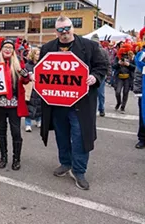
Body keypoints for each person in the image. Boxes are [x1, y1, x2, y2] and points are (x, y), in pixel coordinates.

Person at [38, 16, 107, 190]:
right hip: (57, 103)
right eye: (60, 30)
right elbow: (40, 69)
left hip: (81, 104)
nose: (64, 32)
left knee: (80, 138)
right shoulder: (47, 48)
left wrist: (95, 77)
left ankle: (79, 171)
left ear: (72, 28)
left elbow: (102, 66)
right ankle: (65, 163)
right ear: (56, 31)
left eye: (67, 28)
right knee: (61, 136)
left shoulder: (90, 46)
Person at [0, 40, 29, 170]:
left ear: (13, 50)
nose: (8, 49)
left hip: (15, 104)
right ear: (1, 49)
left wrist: (22, 72)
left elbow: (26, 80)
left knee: (16, 132)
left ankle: (16, 159)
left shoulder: (18, 63)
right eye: (5, 47)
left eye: (10, 47)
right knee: (2, 131)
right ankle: (3, 157)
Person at [112, 43, 135, 114]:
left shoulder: (131, 57)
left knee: (125, 92)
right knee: (117, 92)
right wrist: (119, 64)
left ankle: (123, 107)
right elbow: (113, 66)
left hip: (128, 77)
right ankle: (118, 102)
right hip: (119, 77)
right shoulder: (117, 57)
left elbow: (135, 67)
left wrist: (129, 65)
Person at [91, 34, 110, 117]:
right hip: (93, 75)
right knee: (98, 93)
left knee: (98, 93)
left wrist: (108, 74)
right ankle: (98, 109)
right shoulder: (88, 50)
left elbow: (108, 63)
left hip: (99, 75)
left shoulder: (102, 51)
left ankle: (100, 109)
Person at [24, 48, 41, 132]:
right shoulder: (27, 65)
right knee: (29, 107)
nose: (38, 56)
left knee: (39, 106)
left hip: (39, 88)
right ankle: (28, 124)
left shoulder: (42, 64)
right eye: (37, 54)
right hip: (30, 89)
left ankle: (38, 120)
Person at [133, 42, 145, 149]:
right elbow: (138, 74)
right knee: (143, 116)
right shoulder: (142, 55)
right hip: (143, 93)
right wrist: (138, 91)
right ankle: (142, 139)